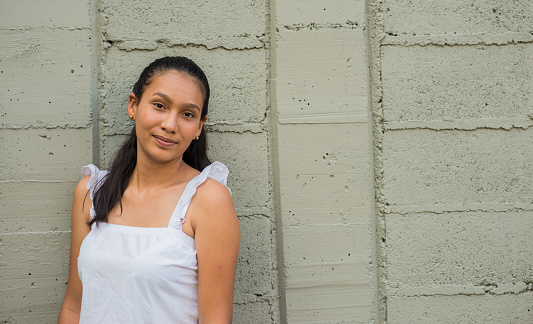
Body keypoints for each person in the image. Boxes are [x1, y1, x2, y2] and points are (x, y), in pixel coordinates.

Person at [58, 56, 240, 324]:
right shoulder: (92, 192)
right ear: (133, 105)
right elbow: (74, 307)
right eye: (159, 105)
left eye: (187, 114)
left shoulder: (207, 199)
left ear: (199, 126)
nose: (170, 124)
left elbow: (215, 319)